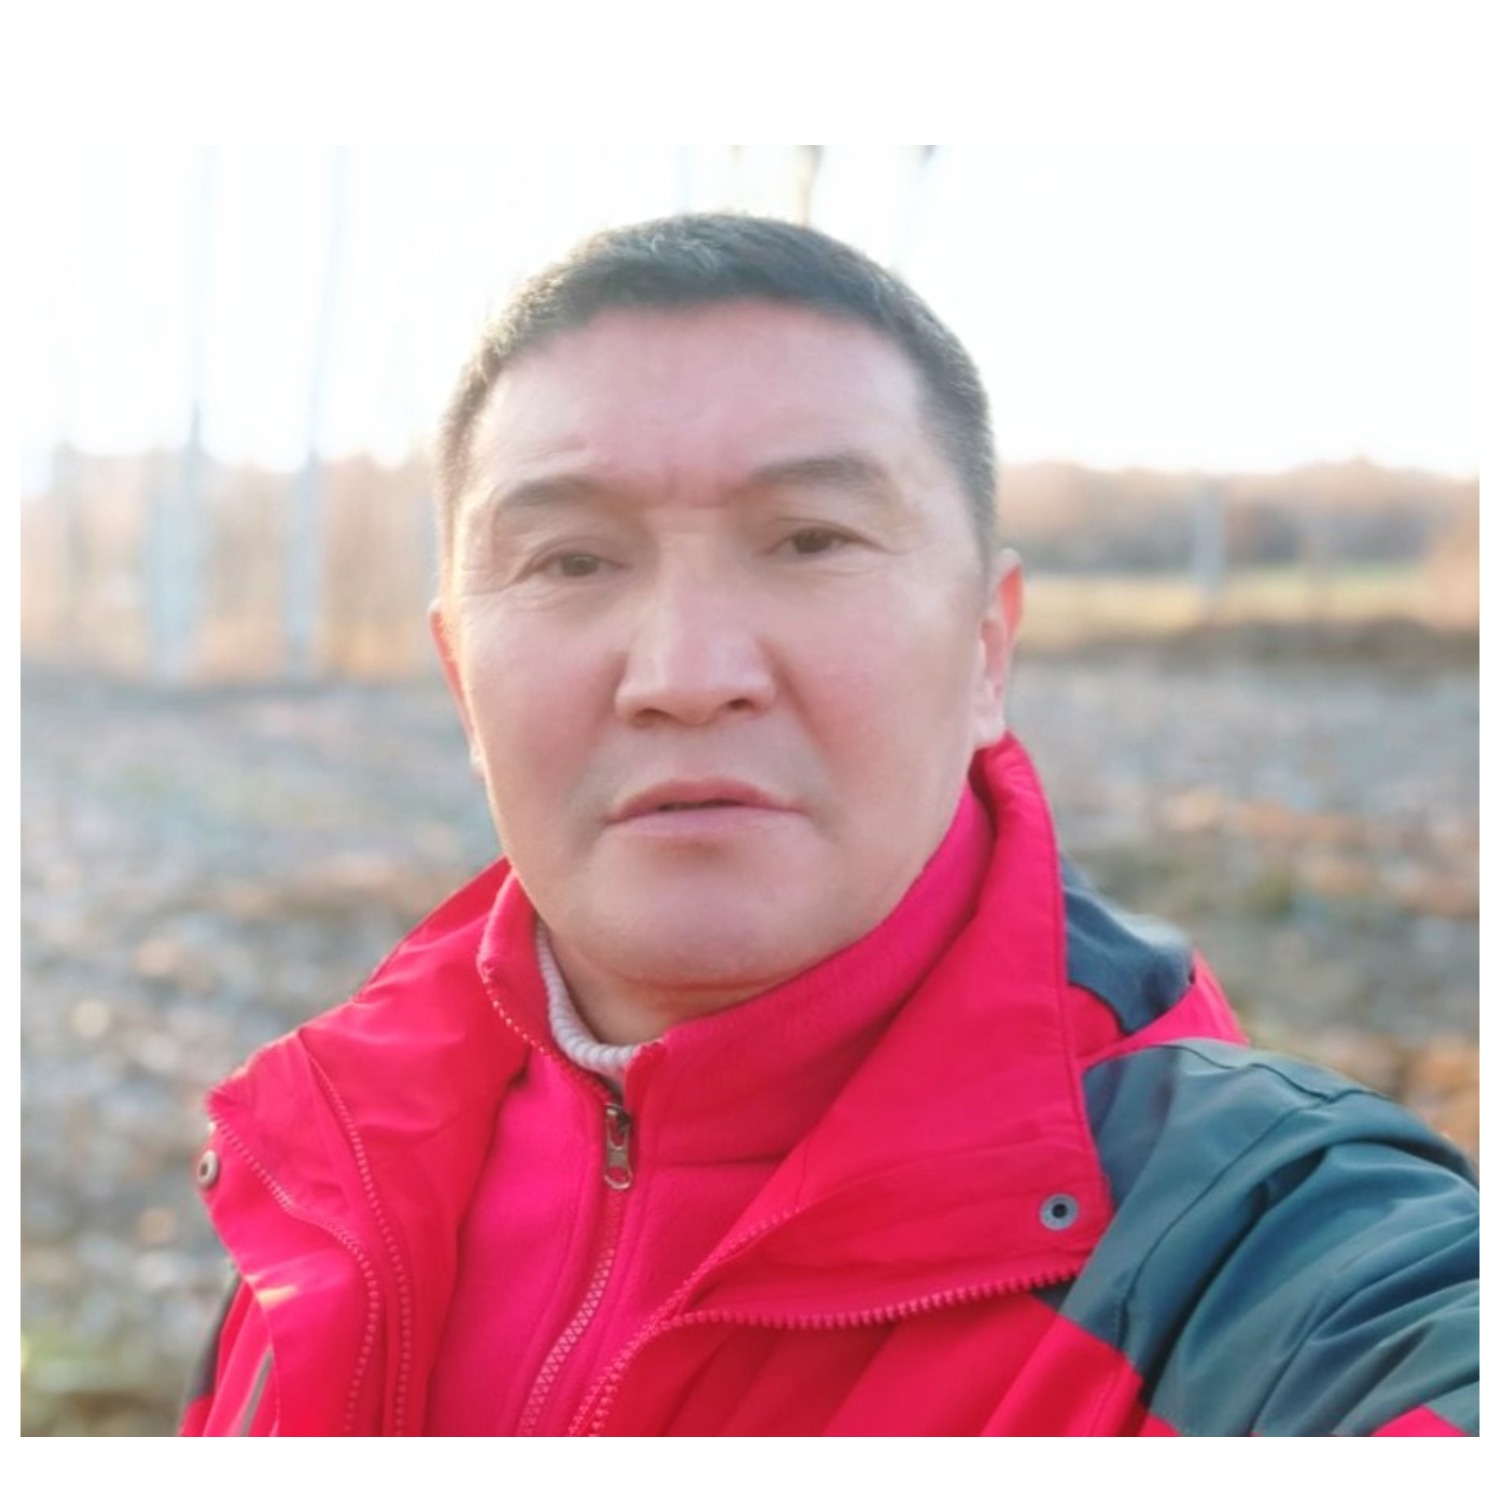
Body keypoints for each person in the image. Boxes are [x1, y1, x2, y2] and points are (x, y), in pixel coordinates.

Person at [179, 214, 1477, 1438]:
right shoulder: (332, 1181)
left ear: (986, 651)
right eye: (571, 560)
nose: (686, 674)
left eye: (810, 540)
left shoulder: (1262, 1266)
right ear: (463, 678)